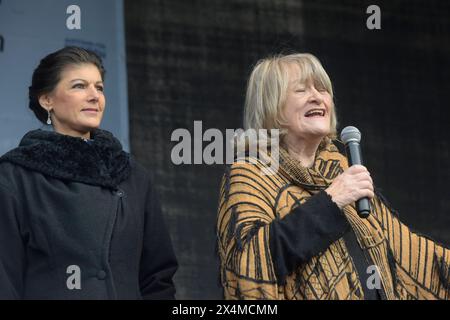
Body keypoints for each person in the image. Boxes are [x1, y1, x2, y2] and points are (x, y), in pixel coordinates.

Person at [216, 53, 450, 300]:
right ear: (271, 105)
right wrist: (330, 203)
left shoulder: (341, 171)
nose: (317, 97)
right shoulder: (251, 174)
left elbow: (410, 255)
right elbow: (249, 262)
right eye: (301, 90)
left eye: (322, 89)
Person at [0, 46, 178, 299]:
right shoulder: (15, 177)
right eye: (79, 86)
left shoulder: (132, 176)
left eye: (100, 87)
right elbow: (5, 280)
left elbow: (157, 278)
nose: (95, 96)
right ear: (46, 100)